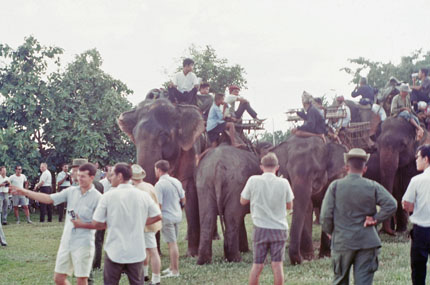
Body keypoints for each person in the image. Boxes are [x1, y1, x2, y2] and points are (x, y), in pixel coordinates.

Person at [10, 163, 102, 285]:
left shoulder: (98, 198)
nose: (79, 179)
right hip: (66, 243)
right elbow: (49, 198)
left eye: (83, 176)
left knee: (82, 280)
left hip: (84, 245)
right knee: (58, 279)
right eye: (78, 175)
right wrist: (25, 192)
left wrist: (83, 224)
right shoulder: (71, 191)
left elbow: (102, 224)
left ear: (92, 177)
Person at [72, 163, 162, 285]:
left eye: (113, 174)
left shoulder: (108, 196)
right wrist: (141, 223)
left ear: (120, 176)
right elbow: (158, 215)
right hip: (136, 250)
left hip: (114, 250)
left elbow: (97, 223)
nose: (110, 177)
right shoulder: (142, 195)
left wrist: (84, 223)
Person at [320, 148, 397, 285]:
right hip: (367, 242)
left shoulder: (335, 186)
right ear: (365, 169)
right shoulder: (372, 186)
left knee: (340, 281)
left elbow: (325, 216)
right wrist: (375, 219)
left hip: (342, 241)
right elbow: (392, 204)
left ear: (346, 167)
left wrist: (331, 231)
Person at [240, 152, 294, 285]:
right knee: (277, 265)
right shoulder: (284, 182)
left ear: (261, 167)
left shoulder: (253, 180)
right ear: (277, 167)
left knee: (257, 265)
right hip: (279, 228)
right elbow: (289, 205)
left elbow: (243, 201)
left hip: (260, 228)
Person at [402, 144, 430, 284]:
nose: (416, 160)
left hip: (421, 230)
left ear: (426, 159)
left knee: (418, 269)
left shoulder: (417, 180)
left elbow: (407, 204)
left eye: (418, 157)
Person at [131, 164, 162, 285]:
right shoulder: (149, 185)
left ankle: (156, 279)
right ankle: (145, 274)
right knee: (146, 249)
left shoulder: (137, 189)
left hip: (145, 223)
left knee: (152, 250)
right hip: (153, 222)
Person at [154, 160, 185, 278]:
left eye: (155, 169)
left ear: (158, 170)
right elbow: (183, 198)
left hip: (167, 217)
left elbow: (159, 205)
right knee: (172, 243)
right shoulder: (176, 181)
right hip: (177, 215)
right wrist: (179, 210)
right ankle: (172, 267)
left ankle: (175, 271)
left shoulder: (159, 184)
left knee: (172, 244)